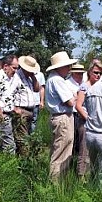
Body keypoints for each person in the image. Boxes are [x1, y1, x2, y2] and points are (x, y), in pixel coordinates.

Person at [45, 51, 77, 182]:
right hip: (63, 117)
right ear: (59, 67)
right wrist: (74, 96)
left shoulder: (52, 79)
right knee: (61, 151)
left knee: (60, 149)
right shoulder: (57, 80)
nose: (69, 69)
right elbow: (70, 101)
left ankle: (58, 181)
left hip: (58, 117)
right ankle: (55, 183)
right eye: (67, 66)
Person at [75, 60, 102, 178]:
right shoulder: (84, 86)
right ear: (89, 72)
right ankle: (81, 176)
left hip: (96, 124)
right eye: (95, 72)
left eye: (100, 73)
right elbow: (78, 105)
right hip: (85, 123)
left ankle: (92, 175)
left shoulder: (99, 87)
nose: (97, 75)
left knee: (94, 152)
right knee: (84, 150)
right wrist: (88, 118)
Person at [0, 54, 19, 153]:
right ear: (6, 66)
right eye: (14, 68)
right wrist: (1, 115)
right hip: (0, 114)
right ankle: (11, 166)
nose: (15, 70)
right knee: (9, 144)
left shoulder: (12, 78)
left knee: (2, 142)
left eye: (17, 68)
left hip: (7, 113)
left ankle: (1, 162)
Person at [12, 55, 40, 155]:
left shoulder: (29, 78)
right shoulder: (16, 77)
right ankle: (24, 161)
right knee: (23, 139)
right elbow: (10, 93)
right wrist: (15, 108)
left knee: (27, 136)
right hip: (21, 110)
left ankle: (24, 158)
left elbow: (37, 89)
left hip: (30, 111)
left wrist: (33, 77)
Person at [66, 64, 85, 165]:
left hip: (81, 114)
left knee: (80, 141)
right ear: (72, 73)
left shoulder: (83, 83)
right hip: (72, 113)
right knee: (72, 139)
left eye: (81, 73)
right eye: (78, 73)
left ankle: (77, 163)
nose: (80, 75)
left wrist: (78, 97)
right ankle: (70, 163)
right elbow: (70, 101)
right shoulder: (67, 84)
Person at [30, 69, 46, 134]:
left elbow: (42, 88)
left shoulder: (40, 74)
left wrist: (42, 101)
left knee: (34, 121)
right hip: (24, 103)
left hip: (36, 102)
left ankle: (32, 137)